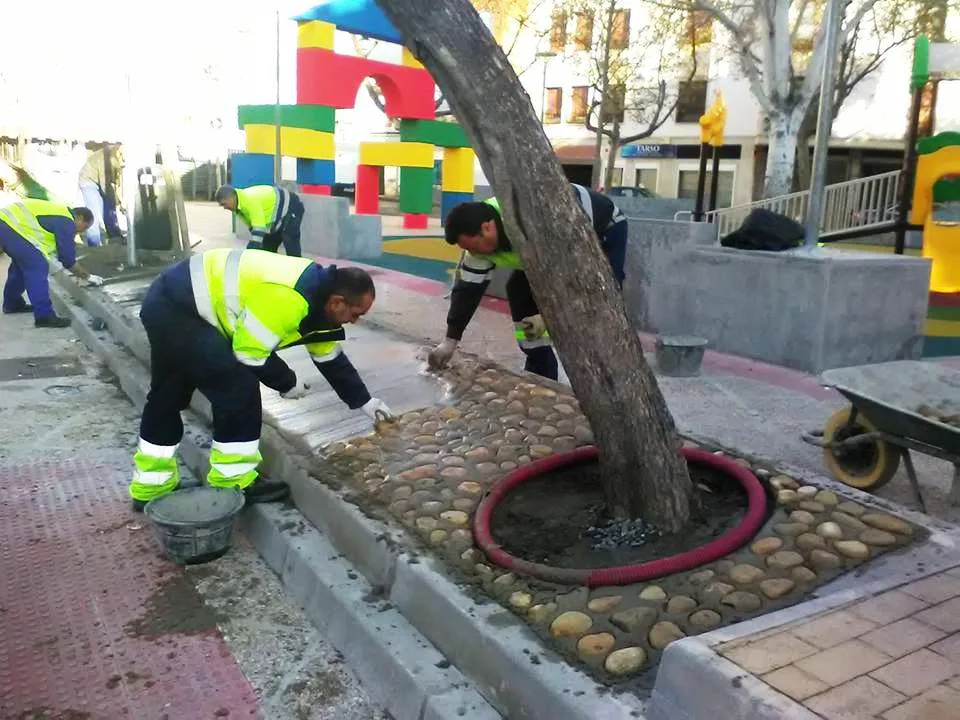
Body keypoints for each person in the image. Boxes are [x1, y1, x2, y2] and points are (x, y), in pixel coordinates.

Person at [129, 248, 393, 510]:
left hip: (169, 301)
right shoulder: (292, 298)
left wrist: (365, 402)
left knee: (167, 395)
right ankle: (232, 485)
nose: (355, 321)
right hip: (180, 309)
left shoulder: (320, 300)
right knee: (238, 387)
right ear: (337, 302)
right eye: (356, 313)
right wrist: (287, 382)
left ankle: (152, 486)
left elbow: (330, 358)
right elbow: (250, 352)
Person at [428, 184, 627, 380]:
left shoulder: (534, 222)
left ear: (487, 227)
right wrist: (450, 340)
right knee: (518, 292)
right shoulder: (476, 248)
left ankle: (612, 374)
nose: (475, 254)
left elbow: (572, 282)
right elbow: (467, 292)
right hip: (544, 255)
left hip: (599, 229)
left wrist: (550, 317)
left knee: (604, 296)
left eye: (475, 247)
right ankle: (539, 366)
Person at [0, 198, 101, 328]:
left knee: (21, 266)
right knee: (37, 266)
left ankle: (12, 304)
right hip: (10, 226)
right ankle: (44, 316)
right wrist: (88, 276)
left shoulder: (59, 213)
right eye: (85, 227)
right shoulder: (67, 221)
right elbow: (67, 259)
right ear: (79, 218)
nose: (81, 232)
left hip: (7, 224)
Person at [215, 184, 304, 257]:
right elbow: (253, 228)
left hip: (292, 206)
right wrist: (255, 245)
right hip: (280, 213)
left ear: (232, 197)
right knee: (267, 250)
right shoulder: (238, 208)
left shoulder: (248, 200)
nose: (225, 208)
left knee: (290, 241)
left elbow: (259, 228)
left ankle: (300, 272)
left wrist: (252, 249)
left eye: (224, 204)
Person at [78, 145, 124, 247]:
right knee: (93, 210)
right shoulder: (107, 159)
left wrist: (120, 198)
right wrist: (117, 199)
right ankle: (94, 241)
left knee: (110, 207)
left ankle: (114, 236)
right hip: (88, 180)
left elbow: (119, 180)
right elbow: (105, 185)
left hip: (101, 180)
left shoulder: (119, 155)